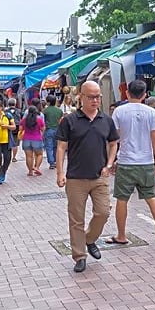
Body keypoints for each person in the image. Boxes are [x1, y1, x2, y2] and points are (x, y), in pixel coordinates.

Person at [56, 81, 119, 273]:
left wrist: (109, 164)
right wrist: (60, 172)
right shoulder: (70, 120)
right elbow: (61, 147)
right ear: (80, 97)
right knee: (76, 219)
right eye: (91, 96)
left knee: (103, 212)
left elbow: (114, 143)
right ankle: (79, 256)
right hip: (75, 178)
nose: (95, 100)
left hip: (99, 176)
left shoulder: (106, 120)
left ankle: (89, 239)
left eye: (98, 96)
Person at [108, 79, 155, 247]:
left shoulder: (119, 111)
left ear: (127, 93)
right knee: (151, 196)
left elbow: (114, 138)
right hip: (146, 161)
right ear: (145, 95)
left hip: (126, 161)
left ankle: (121, 235)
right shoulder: (151, 112)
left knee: (122, 199)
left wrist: (112, 160)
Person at [20, 104, 46, 176]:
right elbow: (43, 129)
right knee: (39, 154)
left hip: (26, 139)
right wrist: (42, 135)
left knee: (29, 156)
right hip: (37, 139)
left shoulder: (24, 120)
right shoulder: (39, 119)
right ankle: (37, 167)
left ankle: (30, 171)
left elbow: (20, 129)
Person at [43, 94, 64, 170]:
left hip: (49, 130)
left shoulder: (45, 111)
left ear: (48, 102)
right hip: (58, 130)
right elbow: (61, 121)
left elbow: (43, 121)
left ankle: (51, 162)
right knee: (56, 146)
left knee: (49, 147)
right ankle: (55, 161)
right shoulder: (59, 110)